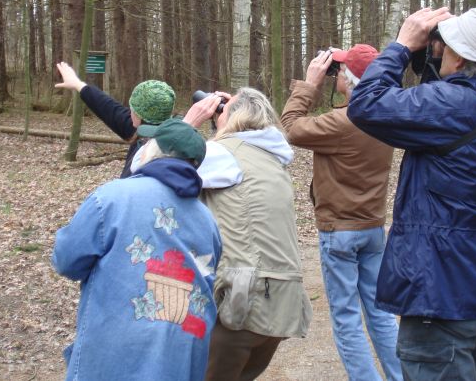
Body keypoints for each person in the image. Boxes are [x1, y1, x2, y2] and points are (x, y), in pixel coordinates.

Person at [347, 7, 476, 381]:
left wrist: (400, 46)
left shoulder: (451, 106)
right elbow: (447, 94)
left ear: (460, 57)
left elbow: (366, 104)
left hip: (444, 298)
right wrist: (430, 54)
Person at [52, 118, 222, 381]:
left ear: (153, 151)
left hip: (119, 350)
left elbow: (66, 260)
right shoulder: (207, 219)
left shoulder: (110, 198)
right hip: (184, 353)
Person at [279, 45, 403, 381]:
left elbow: (291, 127)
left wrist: (310, 84)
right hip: (374, 228)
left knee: (347, 319)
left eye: (342, 70)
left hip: (340, 232)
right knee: (380, 314)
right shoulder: (386, 116)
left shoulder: (344, 122)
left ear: (349, 79)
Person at [178, 87, 313, 381]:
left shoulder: (222, 155)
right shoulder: (274, 159)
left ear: (234, 119)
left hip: (241, 305)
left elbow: (146, 167)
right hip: (280, 305)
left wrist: (189, 124)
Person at [55, 61, 175, 177]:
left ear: (139, 115)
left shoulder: (157, 155)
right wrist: (77, 83)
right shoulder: (151, 130)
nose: (130, 111)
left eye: (132, 108)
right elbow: (108, 107)